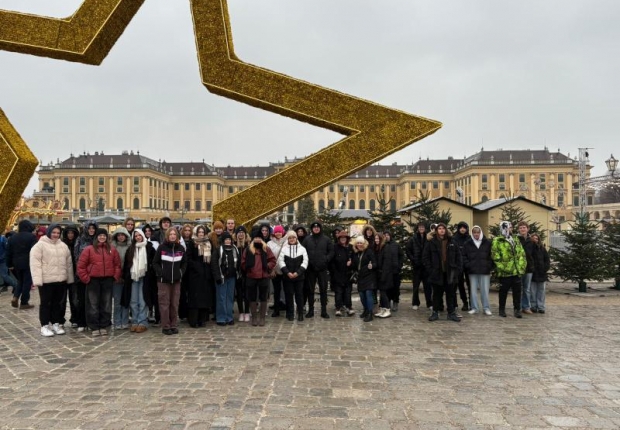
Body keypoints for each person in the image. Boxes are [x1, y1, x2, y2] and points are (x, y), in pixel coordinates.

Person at [30, 224, 74, 337]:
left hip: (60, 280)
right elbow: (35, 264)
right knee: (46, 303)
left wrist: (69, 278)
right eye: (54, 232)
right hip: (46, 280)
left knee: (57, 303)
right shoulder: (39, 245)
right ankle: (44, 325)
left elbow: (68, 264)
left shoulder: (63, 246)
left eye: (58, 233)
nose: (55, 235)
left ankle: (55, 323)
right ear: (49, 232)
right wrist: (37, 280)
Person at [77, 228, 122, 336]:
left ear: (107, 237)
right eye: (100, 235)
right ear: (96, 237)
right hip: (93, 280)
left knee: (106, 303)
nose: (102, 237)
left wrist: (115, 277)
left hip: (107, 279)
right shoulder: (89, 249)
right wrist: (86, 278)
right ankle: (94, 326)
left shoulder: (112, 249)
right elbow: (81, 266)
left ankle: (104, 325)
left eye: (104, 236)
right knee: (93, 304)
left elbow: (117, 265)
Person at [424, 223, 463, 322]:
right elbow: (426, 257)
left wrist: (457, 269)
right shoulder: (432, 242)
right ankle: (435, 312)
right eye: (439, 228)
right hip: (437, 272)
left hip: (450, 272)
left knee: (451, 294)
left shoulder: (452, 241)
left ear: (446, 230)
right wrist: (430, 270)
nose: (441, 230)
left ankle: (451, 313)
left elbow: (459, 257)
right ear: (436, 231)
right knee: (437, 294)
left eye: (443, 228)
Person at [153, 227, 187, 335]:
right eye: (171, 234)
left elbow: (184, 263)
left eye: (174, 234)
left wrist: (180, 273)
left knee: (174, 303)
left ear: (177, 236)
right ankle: (166, 326)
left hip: (176, 281)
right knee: (164, 303)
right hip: (164, 281)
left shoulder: (181, 248)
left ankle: (173, 325)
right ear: (168, 236)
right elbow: (155, 262)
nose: (172, 236)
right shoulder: (162, 247)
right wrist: (161, 273)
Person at [491, 221, 527, 318]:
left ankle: (517, 310)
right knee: (503, 292)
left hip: (516, 271)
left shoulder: (515, 239)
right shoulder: (497, 240)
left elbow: (522, 254)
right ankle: (501, 309)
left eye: (511, 227)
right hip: (505, 273)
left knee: (517, 292)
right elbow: (495, 257)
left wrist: (521, 267)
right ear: (503, 228)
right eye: (508, 227)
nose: (511, 229)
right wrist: (505, 268)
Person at [241, 231, 276, 326]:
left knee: (263, 297)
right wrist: (248, 269)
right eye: (256, 238)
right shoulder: (248, 249)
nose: (257, 239)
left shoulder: (266, 249)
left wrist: (267, 266)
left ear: (262, 239)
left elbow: (273, 260)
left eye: (259, 238)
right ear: (253, 239)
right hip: (251, 276)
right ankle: (254, 318)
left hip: (263, 276)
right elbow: (243, 261)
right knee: (252, 297)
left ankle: (262, 318)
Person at [303, 221, 334, 319]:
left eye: (318, 227)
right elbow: (303, 251)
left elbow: (331, 251)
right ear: (312, 229)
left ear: (320, 228)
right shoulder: (307, 239)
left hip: (322, 268)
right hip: (310, 268)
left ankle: (324, 311)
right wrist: (307, 261)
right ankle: (311, 310)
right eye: (314, 227)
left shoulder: (326, 239)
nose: (316, 229)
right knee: (310, 290)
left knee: (323, 290)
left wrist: (326, 259)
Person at [186, 225, 214, 327]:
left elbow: (211, 257)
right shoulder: (192, 243)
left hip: (206, 275)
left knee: (204, 298)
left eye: (202, 232)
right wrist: (196, 266)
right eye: (199, 232)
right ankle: (193, 320)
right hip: (195, 275)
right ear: (196, 233)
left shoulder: (208, 243)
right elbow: (188, 258)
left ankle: (202, 319)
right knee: (195, 298)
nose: (201, 234)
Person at [278, 230, 309, 321]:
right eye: (290, 238)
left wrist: (298, 272)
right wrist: (287, 272)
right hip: (287, 277)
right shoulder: (284, 249)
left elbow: (305, 261)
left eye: (293, 237)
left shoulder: (302, 249)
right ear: (288, 239)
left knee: (299, 295)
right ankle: (290, 313)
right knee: (289, 295)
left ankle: (300, 313)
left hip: (299, 277)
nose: (291, 239)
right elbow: (281, 261)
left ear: (296, 238)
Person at [462, 225, 494, 316]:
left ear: (481, 233)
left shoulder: (487, 243)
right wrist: (468, 265)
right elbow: (463, 256)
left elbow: (491, 256)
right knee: (473, 291)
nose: (476, 234)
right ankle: (474, 308)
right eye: (474, 233)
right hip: (472, 271)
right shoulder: (467, 243)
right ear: (472, 233)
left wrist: (489, 266)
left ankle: (486, 308)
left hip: (484, 271)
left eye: (478, 232)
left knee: (485, 291)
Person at [6, 220, 37, 309]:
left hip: (16, 264)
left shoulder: (13, 237)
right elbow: (34, 251)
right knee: (27, 282)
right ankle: (24, 302)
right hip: (28, 263)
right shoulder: (32, 237)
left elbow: (8, 252)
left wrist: (9, 264)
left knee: (20, 281)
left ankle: (15, 297)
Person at [73, 220, 98, 331]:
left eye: (93, 228)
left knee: (94, 301)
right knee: (82, 299)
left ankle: (93, 321)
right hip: (82, 275)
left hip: (96, 275)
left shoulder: (99, 240)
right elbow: (77, 258)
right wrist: (82, 273)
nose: (91, 230)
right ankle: (81, 322)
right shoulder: (80, 240)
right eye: (89, 228)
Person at [124, 229, 149, 333]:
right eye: (136, 236)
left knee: (142, 300)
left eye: (139, 235)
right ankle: (135, 321)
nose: (138, 237)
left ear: (143, 236)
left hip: (144, 277)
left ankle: (142, 321)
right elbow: (127, 263)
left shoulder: (148, 247)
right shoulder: (130, 249)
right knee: (133, 300)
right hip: (133, 277)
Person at [212, 231, 240, 326]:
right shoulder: (218, 250)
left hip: (232, 277)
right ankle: (221, 318)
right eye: (226, 239)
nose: (228, 241)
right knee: (221, 297)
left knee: (230, 298)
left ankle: (229, 317)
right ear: (223, 241)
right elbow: (214, 264)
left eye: (229, 239)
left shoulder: (234, 249)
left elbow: (238, 263)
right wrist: (217, 276)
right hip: (222, 277)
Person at [351, 236, 377, 322]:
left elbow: (375, 263)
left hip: (369, 276)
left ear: (364, 244)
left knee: (368, 294)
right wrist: (350, 263)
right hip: (360, 277)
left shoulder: (369, 252)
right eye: (358, 243)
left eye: (361, 243)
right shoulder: (355, 253)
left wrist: (372, 265)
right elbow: (355, 266)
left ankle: (370, 313)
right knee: (362, 295)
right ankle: (366, 310)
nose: (359, 244)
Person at [329, 230, 355, 317]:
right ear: (339, 239)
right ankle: (338, 308)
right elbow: (331, 261)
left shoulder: (351, 247)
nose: (343, 239)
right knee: (338, 292)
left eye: (344, 238)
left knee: (348, 292)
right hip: (338, 273)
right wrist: (334, 272)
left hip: (348, 274)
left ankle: (349, 307)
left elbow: (355, 260)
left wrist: (351, 264)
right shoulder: (335, 247)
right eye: (341, 238)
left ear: (347, 239)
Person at [406, 222, 431, 311]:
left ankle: (429, 303)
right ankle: (415, 303)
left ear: (425, 228)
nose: (421, 228)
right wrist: (413, 259)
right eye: (420, 227)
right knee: (415, 286)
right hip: (417, 266)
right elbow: (408, 250)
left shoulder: (428, 238)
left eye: (423, 227)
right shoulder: (413, 238)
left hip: (426, 266)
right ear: (418, 228)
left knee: (428, 286)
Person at [111, 227, 131, 330]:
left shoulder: (130, 247)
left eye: (122, 235)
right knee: (118, 301)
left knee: (126, 300)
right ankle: (117, 321)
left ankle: (125, 320)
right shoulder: (112, 248)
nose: (121, 237)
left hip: (127, 277)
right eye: (118, 235)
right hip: (116, 278)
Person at [60, 224, 79, 327]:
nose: (70, 235)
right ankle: (60, 320)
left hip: (75, 275)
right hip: (63, 275)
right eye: (68, 233)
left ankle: (75, 319)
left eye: (72, 233)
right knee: (61, 300)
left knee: (74, 299)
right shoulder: (62, 245)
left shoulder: (78, 244)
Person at [382, 230, 403, 313]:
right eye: (385, 235)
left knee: (396, 288)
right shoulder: (382, 245)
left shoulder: (396, 245)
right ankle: (387, 302)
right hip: (386, 271)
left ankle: (395, 302)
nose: (386, 236)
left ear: (390, 236)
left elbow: (401, 255)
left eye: (388, 235)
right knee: (387, 288)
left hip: (395, 270)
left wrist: (399, 265)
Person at [517, 221, 535, 314]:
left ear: (527, 229)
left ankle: (526, 307)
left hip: (529, 268)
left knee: (527, 289)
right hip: (519, 267)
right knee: (518, 288)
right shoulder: (516, 239)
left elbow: (535, 254)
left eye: (524, 227)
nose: (522, 229)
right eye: (521, 228)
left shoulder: (531, 240)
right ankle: (518, 306)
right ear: (518, 230)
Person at [529, 233, 550, 314]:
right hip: (533, 273)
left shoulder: (542, 249)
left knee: (541, 291)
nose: (535, 240)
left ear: (539, 240)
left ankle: (541, 307)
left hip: (541, 273)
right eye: (533, 238)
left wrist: (545, 268)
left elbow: (547, 259)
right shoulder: (530, 248)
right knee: (532, 291)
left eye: (536, 238)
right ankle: (533, 306)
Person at [453, 221, 471, 311]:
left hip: (468, 265)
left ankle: (472, 302)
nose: (463, 229)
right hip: (458, 265)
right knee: (460, 285)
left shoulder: (469, 238)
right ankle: (465, 303)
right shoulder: (455, 238)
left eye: (464, 227)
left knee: (470, 284)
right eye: (461, 227)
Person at [268, 225, 286, 317]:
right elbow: (268, 258)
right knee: (276, 290)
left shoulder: (286, 242)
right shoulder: (269, 244)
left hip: (285, 270)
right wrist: (271, 269)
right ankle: (276, 309)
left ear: (282, 232)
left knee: (286, 290)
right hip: (275, 270)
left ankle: (286, 306)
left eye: (280, 231)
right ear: (274, 233)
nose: (278, 233)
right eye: (277, 232)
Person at [234, 226, 250, 322]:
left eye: (242, 232)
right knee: (239, 293)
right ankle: (241, 312)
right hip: (237, 273)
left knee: (247, 293)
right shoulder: (234, 245)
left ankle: (247, 312)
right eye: (239, 233)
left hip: (247, 273)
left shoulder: (248, 244)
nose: (240, 234)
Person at [178, 224, 194, 321]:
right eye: (185, 230)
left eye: (189, 230)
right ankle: (182, 313)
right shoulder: (179, 242)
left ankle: (190, 312)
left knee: (190, 292)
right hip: (182, 269)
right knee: (182, 293)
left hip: (191, 270)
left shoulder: (192, 242)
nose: (187, 232)